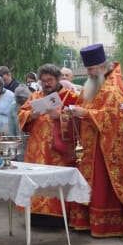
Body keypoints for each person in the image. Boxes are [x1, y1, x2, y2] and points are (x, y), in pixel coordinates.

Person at [68, 43, 123, 238]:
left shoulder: (112, 88)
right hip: (89, 144)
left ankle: (107, 226)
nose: (89, 73)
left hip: (104, 148)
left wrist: (85, 113)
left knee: (102, 185)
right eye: (88, 69)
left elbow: (114, 116)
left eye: (91, 69)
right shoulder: (94, 84)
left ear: (103, 67)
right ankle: (85, 222)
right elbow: (82, 103)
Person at [18, 64, 79, 221]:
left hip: (58, 152)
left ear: (58, 79)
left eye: (50, 80)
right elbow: (21, 113)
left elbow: (79, 122)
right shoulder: (35, 96)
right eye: (44, 80)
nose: (46, 83)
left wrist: (59, 116)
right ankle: (35, 215)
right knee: (35, 180)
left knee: (55, 181)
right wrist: (31, 115)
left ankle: (58, 218)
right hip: (36, 149)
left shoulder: (71, 96)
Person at [8, 84, 31, 162]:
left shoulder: (33, 105)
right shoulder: (13, 108)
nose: (21, 102)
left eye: (23, 99)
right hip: (19, 143)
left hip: (32, 142)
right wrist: (12, 148)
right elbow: (11, 130)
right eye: (18, 99)